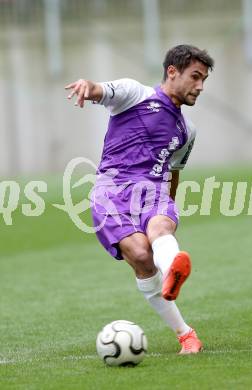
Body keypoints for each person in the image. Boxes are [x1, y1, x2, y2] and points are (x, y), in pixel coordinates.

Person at [65, 44, 214, 354]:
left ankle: (173, 268)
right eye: (195, 77)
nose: (200, 87)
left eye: (204, 80)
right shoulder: (135, 94)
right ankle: (186, 332)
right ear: (172, 71)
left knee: (160, 229)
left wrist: (168, 209)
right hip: (111, 193)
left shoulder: (188, 130)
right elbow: (99, 90)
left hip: (154, 192)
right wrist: (85, 87)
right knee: (142, 256)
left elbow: (174, 170)